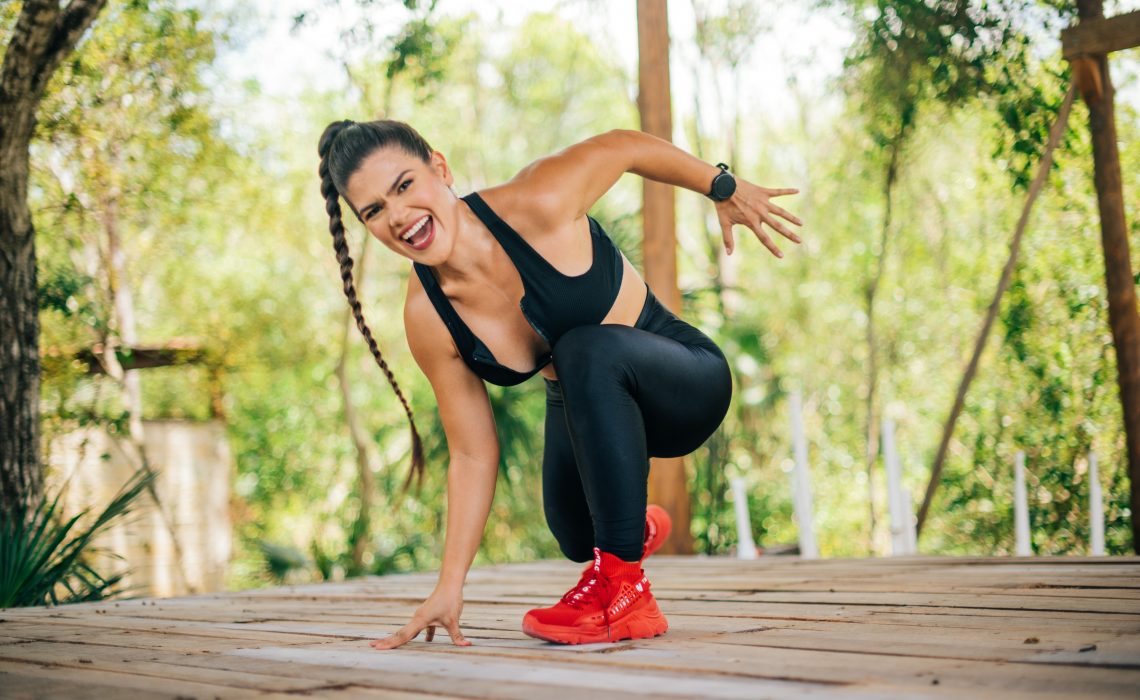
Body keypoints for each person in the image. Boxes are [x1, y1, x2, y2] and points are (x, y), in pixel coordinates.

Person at [316, 120, 801, 648]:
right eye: (374, 211)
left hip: (685, 383)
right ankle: (630, 531)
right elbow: (472, 454)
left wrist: (723, 188)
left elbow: (626, 145)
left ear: (440, 167)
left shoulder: (537, 201)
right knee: (575, 532)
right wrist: (448, 587)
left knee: (582, 346)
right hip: (590, 411)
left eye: (404, 186)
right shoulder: (428, 317)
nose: (399, 217)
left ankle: (624, 593)